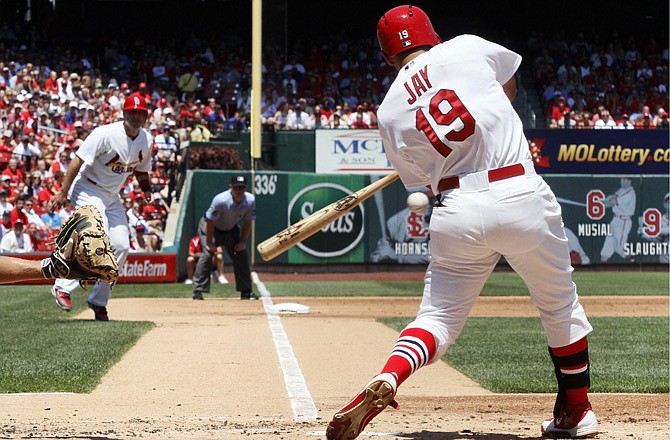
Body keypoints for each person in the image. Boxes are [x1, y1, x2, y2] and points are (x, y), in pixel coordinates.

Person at [326, 6, 599, 440]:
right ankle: (576, 411)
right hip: (519, 190)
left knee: (437, 318)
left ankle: (391, 376)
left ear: (387, 55)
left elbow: (420, 183)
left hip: (456, 206)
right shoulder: (466, 47)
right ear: (430, 34)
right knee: (559, 305)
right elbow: (508, 84)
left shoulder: (389, 111)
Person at [49, 91, 153, 321]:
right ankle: (63, 286)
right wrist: (63, 192)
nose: (136, 115)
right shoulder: (105, 133)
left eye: (140, 112)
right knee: (97, 235)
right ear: (123, 112)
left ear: (146, 116)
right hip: (88, 188)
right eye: (132, 111)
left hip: (112, 196)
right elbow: (77, 160)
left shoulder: (147, 139)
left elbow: (142, 169)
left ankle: (98, 301)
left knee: (121, 245)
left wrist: (146, 188)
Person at [192, 175, 256, 300]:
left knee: (241, 254)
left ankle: (246, 291)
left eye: (242, 188)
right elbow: (210, 222)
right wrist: (210, 243)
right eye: (237, 188)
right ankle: (197, 291)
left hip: (230, 229)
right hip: (210, 228)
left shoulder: (250, 200)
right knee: (207, 254)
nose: (239, 191)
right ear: (230, 187)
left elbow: (248, 222)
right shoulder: (221, 200)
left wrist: (242, 241)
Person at [600, 177, 636, 263]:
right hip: (615, 219)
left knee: (619, 247)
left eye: (626, 179)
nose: (623, 181)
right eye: (622, 179)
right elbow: (613, 197)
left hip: (623, 221)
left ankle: (633, 257)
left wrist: (606, 204)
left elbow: (614, 201)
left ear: (630, 181)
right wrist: (605, 201)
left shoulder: (629, 192)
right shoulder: (622, 190)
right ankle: (602, 263)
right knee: (608, 242)